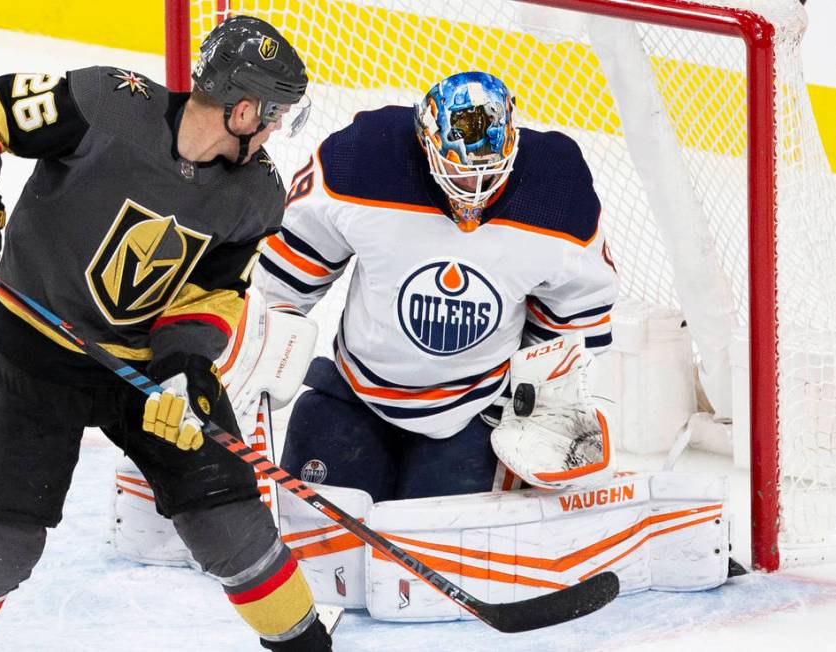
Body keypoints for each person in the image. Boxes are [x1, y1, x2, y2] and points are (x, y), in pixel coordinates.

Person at [0, 15, 333, 652]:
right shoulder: (107, 103)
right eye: (272, 114)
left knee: (230, 525)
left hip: (148, 374)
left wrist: (184, 370)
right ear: (242, 112)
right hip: (36, 355)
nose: (275, 129)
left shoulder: (255, 194)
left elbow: (213, 294)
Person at [254, 71, 620, 503]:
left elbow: (575, 316)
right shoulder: (362, 160)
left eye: (488, 173)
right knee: (319, 539)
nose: (474, 191)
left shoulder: (556, 193)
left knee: (442, 547)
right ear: (426, 140)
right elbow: (282, 276)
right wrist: (253, 348)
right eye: (459, 173)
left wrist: (536, 394)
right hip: (355, 394)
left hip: (476, 410)